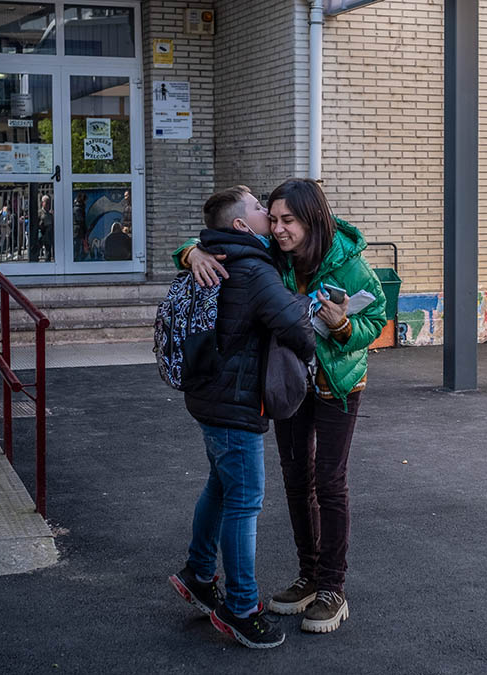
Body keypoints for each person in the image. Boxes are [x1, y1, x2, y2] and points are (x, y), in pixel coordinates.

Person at [178, 178, 386, 634]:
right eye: (271, 219)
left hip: (338, 386)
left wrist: (346, 327)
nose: (277, 229)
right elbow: (219, 235)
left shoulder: (350, 263)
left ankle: (333, 587)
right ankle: (308, 577)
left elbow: (378, 316)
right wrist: (191, 252)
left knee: (330, 483)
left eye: (287, 220)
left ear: (312, 220)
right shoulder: (274, 253)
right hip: (290, 388)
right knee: (297, 481)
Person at [168, 186, 316, 649]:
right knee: (245, 500)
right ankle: (241, 607)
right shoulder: (252, 269)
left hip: (209, 398)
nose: (270, 219)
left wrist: (189, 251)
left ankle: (197, 573)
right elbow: (294, 328)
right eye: (259, 210)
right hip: (234, 404)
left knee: (221, 485)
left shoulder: (215, 255)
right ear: (239, 225)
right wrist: (313, 334)